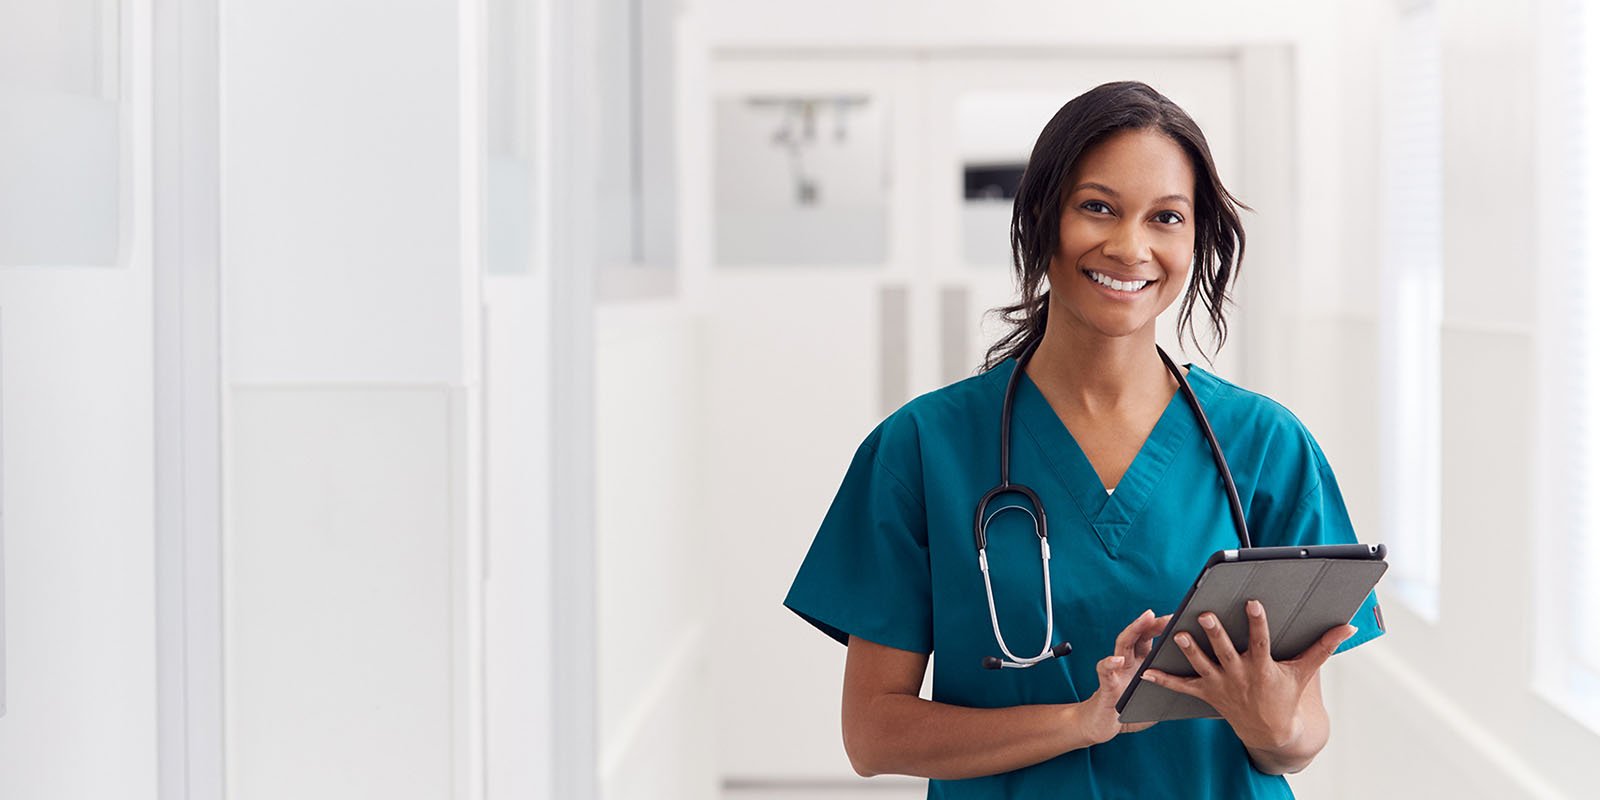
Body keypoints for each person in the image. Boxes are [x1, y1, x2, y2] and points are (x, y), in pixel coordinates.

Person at [782, 81, 1385, 798]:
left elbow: (1300, 739)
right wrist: (1081, 720)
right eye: (1098, 207)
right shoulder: (920, 449)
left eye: (1166, 217)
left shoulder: (1265, 448)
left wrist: (1273, 722)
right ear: (1042, 217)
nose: (1130, 247)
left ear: (1195, 240)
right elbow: (873, 734)